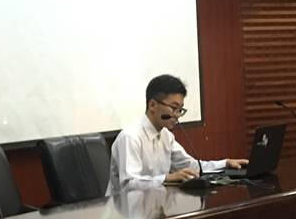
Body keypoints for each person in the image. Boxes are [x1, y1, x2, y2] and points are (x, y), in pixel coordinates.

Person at [106, 74, 247, 195]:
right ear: (152, 105)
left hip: (155, 207)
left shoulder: (166, 136)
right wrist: (167, 178)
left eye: (180, 110)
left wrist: (225, 163)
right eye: (174, 108)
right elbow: (129, 184)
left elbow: (191, 166)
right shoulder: (130, 137)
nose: (177, 115)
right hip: (125, 212)